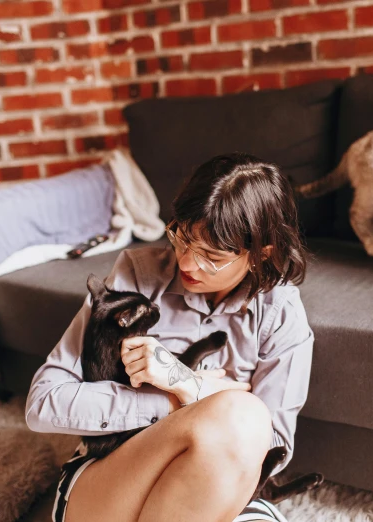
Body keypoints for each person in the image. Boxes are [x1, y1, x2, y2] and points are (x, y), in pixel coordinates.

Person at [25, 152, 315, 522]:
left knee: (248, 420)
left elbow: (273, 446)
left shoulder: (279, 310)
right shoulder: (137, 275)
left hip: (219, 493)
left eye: (211, 255)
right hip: (111, 482)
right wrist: (179, 398)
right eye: (181, 238)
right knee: (242, 412)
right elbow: (43, 404)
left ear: (260, 255)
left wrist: (191, 388)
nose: (187, 263)